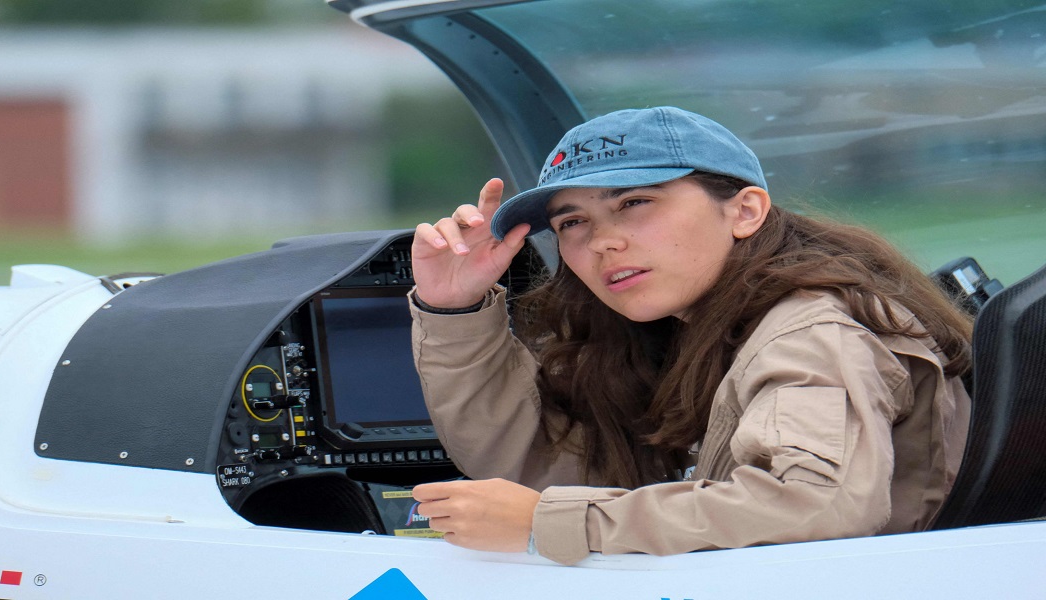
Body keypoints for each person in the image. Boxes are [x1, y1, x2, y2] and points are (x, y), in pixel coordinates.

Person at [405, 106, 973, 566]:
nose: (602, 242)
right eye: (572, 223)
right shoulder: (691, 332)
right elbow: (547, 470)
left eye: (634, 203)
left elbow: (815, 501)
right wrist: (454, 309)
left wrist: (548, 523)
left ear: (745, 210)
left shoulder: (810, 331)